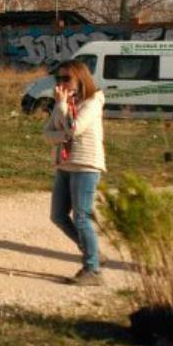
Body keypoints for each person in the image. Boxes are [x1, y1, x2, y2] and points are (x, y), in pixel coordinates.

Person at [44, 58, 107, 286]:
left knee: (81, 217)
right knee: (58, 216)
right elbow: (47, 133)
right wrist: (62, 134)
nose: (61, 83)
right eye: (58, 78)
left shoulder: (92, 102)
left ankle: (93, 270)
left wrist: (62, 112)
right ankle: (92, 251)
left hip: (85, 165)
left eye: (66, 78)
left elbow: (75, 128)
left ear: (80, 79)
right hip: (64, 165)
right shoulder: (64, 103)